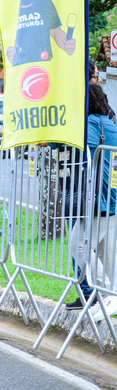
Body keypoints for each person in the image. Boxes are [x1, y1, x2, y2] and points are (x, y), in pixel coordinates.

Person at [67, 83, 117, 317]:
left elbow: (76, 145)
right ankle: (110, 294)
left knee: (78, 245)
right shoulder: (109, 123)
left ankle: (106, 294)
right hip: (110, 195)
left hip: (99, 197)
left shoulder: (92, 124)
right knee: (106, 253)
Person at [5, 0, 76, 66]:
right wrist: (9, 51)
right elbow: (5, 38)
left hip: (44, 64)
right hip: (20, 67)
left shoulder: (46, 3)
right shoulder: (10, 8)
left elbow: (56, 32)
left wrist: (66, 44)